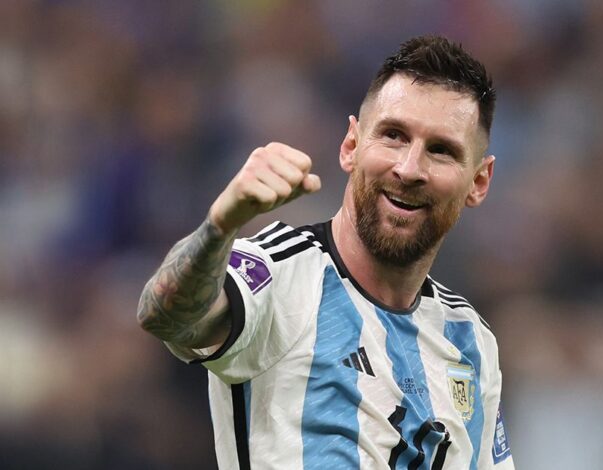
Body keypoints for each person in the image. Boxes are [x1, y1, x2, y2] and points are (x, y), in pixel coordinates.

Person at [137, 35, 514, 469]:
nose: (409, 169)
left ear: (479, 182)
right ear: (351, 145)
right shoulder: (281, 275)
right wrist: (220, 225)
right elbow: (164, 315)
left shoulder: (471, 341)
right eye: (393, 135)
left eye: (441, 150)